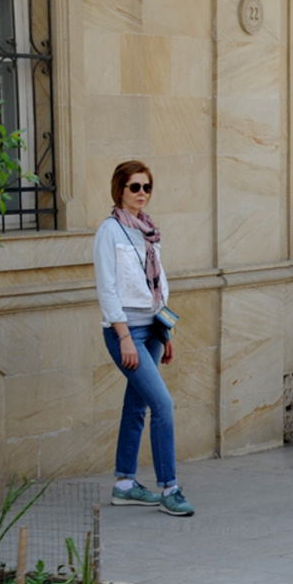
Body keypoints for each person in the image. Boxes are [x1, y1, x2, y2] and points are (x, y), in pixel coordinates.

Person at [93, 161, 194, 517]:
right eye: (134, 187)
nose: (141, 194)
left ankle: (124, 484)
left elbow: (156, 287)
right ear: (120, 189)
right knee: (162, 405)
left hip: (151, 329)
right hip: (125, 331)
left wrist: (164, 333)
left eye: (147, 187)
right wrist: (123, 338)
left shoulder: (147, 230)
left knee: (137, 406)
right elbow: (106, 289)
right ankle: (170, 487)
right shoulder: (110, 230)